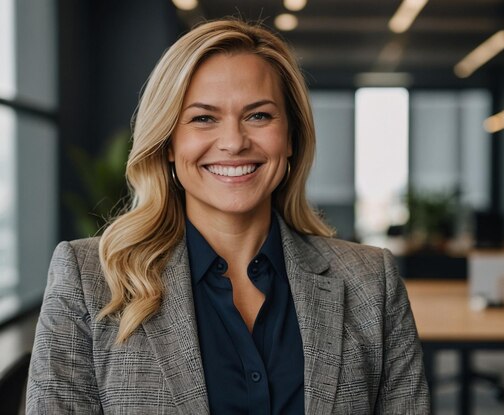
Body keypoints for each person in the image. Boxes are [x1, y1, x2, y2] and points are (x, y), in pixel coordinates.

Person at [26, 19, 430, 414]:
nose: (234, 142)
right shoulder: (88, 280)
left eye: (259, 116)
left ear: (290, 137)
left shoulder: (369, 281)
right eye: (204, 118)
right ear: (168, 142)